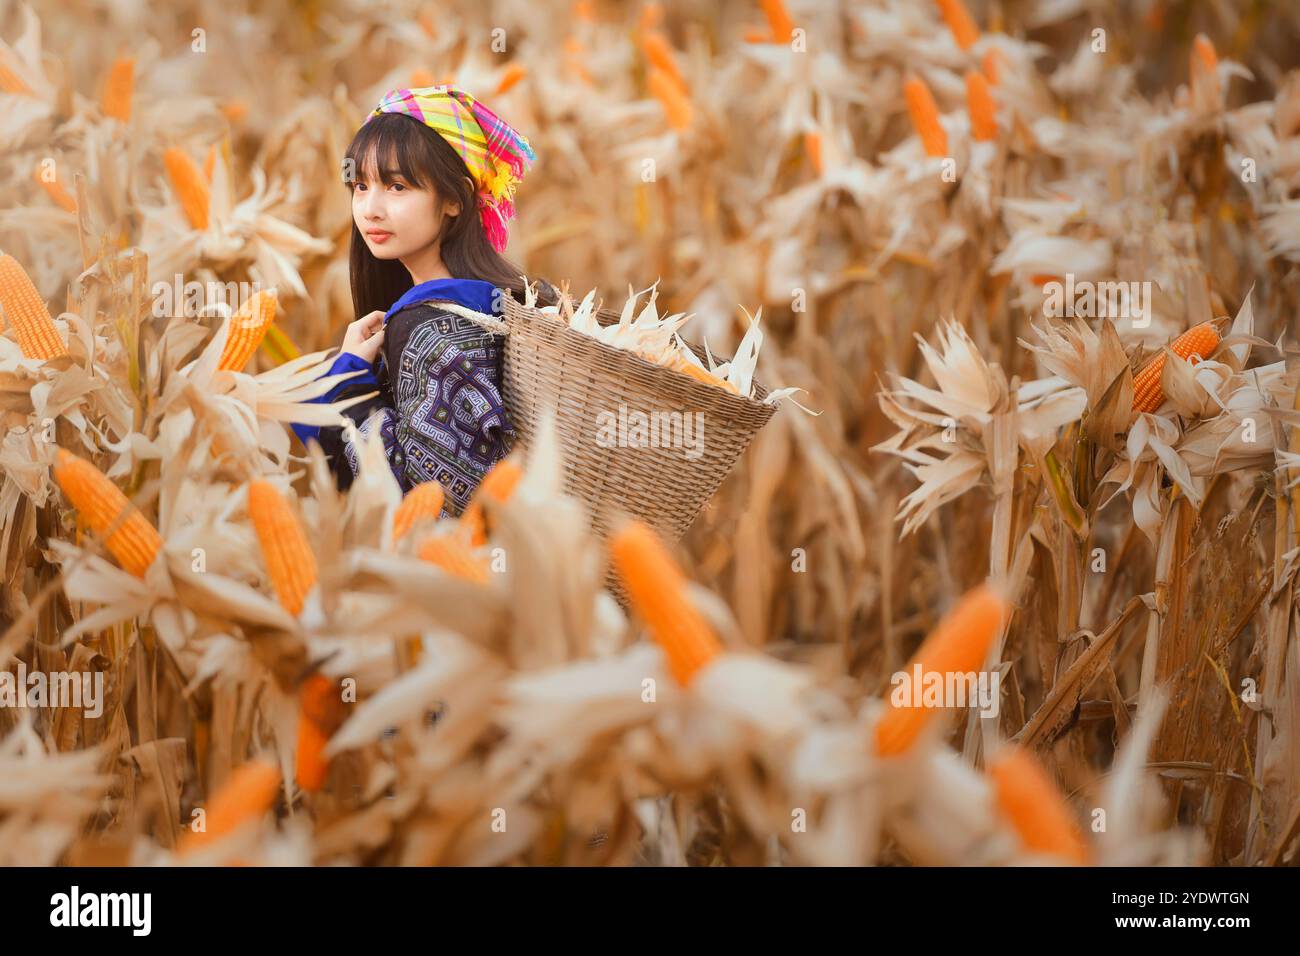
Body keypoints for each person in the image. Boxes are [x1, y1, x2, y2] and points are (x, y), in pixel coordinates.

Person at [289, 84, 558, 514]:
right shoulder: (506, 304)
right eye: (360, 186)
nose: (370, 209)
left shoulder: (427, 327)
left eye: (396, 187)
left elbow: (425, 505)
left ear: (454, 199)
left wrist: (351, 382)